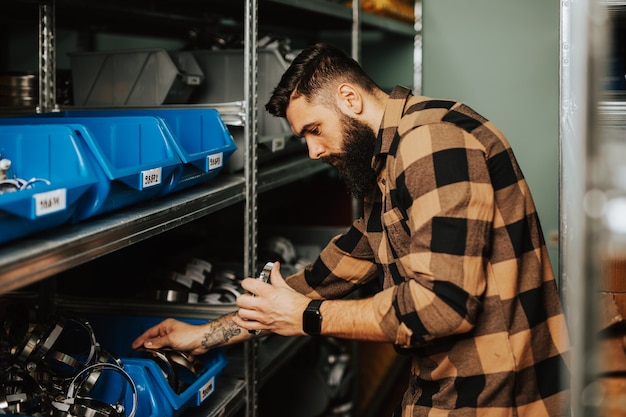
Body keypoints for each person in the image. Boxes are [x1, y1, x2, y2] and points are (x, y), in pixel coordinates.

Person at [133, 42, 570, 416]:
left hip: (494, 397)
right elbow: (322, 279)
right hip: (445, 389)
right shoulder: (390, 164)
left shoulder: (434, 141)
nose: (313, 151)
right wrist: (204, 335)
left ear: (349, 97)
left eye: (315, 130)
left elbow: (442, 307)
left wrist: (307, 319)